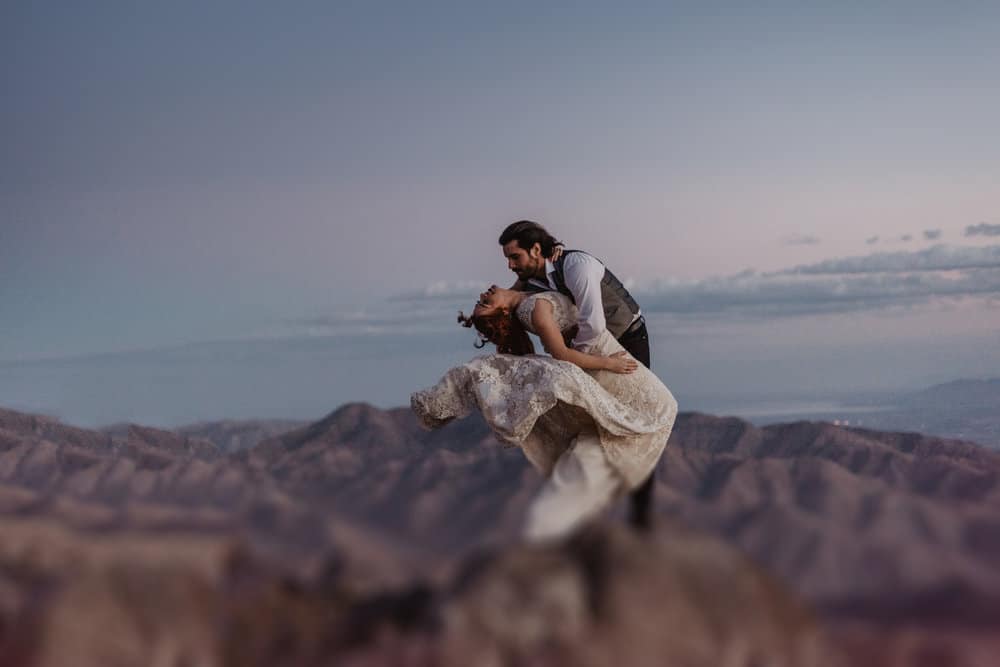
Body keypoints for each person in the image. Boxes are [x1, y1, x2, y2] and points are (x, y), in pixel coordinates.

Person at [410, 285, 677, 541]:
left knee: (654, 410)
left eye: (480, 301)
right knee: (654, 411)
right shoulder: (534, 309)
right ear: (503, 312)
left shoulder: (522, 293)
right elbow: (560, 353)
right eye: (485, 303)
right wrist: (610, 363)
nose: (483, 295)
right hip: (602, 355)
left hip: (601, 347)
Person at [498, 220, 659, 530]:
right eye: (506, 258)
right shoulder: (533, 276)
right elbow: (506, 296)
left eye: (514, 257)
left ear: (535, 249)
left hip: (626, 341)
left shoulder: (577, 266)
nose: (509, 265)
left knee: (635, 424)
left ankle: (641, 518)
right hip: (589, 351)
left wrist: (576, 363)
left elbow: (595, 326)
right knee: (590, 425)